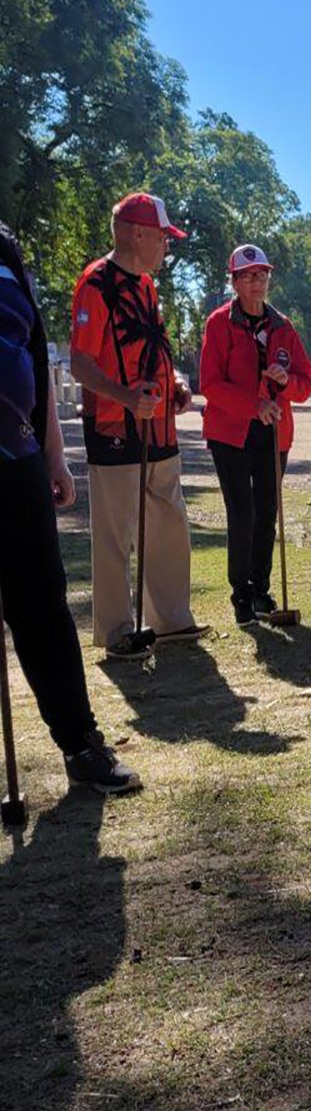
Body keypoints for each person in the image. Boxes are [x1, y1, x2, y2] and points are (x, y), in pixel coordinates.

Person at [0, 220, 142, 794]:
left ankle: (82, 746)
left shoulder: (7, 247)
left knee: (42, 607)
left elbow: (34, 354)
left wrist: (55, 455)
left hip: (19, 459)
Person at [67, 192, 209, 660]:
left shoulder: (146, 286)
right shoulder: (96, 284)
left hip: (160, 430)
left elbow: (155, 348)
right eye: (164, 239)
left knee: (170, 524)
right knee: (114, 534)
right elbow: (81, 365)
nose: (167, 248)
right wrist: (127, 398)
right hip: (114, 428)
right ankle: (116, 632)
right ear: (137, 234)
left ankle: (170, 621)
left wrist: (179, 384)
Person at [199, 244, 311, 624]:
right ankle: (241, 595)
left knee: (267, 513)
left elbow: (305, 383)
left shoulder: (283, 326)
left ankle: (262, 590)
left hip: (273, 433)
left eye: (262, 274)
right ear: (234, 281)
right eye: (248, 275)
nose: (257, 282)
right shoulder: (218, 323)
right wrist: (254, 405)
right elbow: (211, 385)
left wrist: (287, 382)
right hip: (230, 433)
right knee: (243, 513)